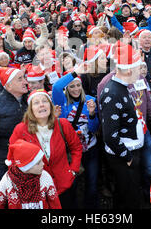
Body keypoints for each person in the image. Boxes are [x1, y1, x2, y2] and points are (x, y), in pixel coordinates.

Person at [9, 89, 83, 209]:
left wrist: (73, 171)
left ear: (50, 105)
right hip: (38, 190)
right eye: (36, 103)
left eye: (45, 101)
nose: (42, 104)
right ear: (31, 109)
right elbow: (12, 159)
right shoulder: (21, 130)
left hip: (64, 185)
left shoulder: (63, 124)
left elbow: (76, 148)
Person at [99, 43, 145, 209]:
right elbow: (110, 135)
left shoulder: (121, 87)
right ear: (129, 70)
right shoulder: (113, 93)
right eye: (138, 68)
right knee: (128, 197)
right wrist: (128, 157)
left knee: (127, 193)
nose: (140, 72)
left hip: (128, 150)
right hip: (123, 154)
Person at [52, 65, 100, 208]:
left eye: (78, 85)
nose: (76, 89)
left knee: (92, 183)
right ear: (66, 88)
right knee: (71, 185)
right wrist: (75, 73)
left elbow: (95, 128)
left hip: (90, 148)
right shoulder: (61, 101)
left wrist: (92, 114)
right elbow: (56, 86)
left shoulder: (90, 100)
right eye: (71, 86)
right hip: (70, 151)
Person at [0, 139, 61, 209]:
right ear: (26, 166)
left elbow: (55, 204)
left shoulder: (45, 177)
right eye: (38, 163)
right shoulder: (7, 180)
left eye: (42, 160)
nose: (43, 164)